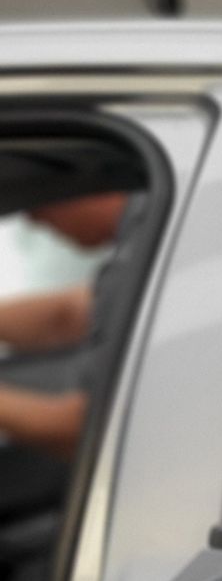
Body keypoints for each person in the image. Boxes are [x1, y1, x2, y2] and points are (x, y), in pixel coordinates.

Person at [0, 191, 140, 460]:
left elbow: (87, 429)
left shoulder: (157, 229)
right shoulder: (143, 235)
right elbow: (67, 316)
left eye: (37, 209)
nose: (33, 222)